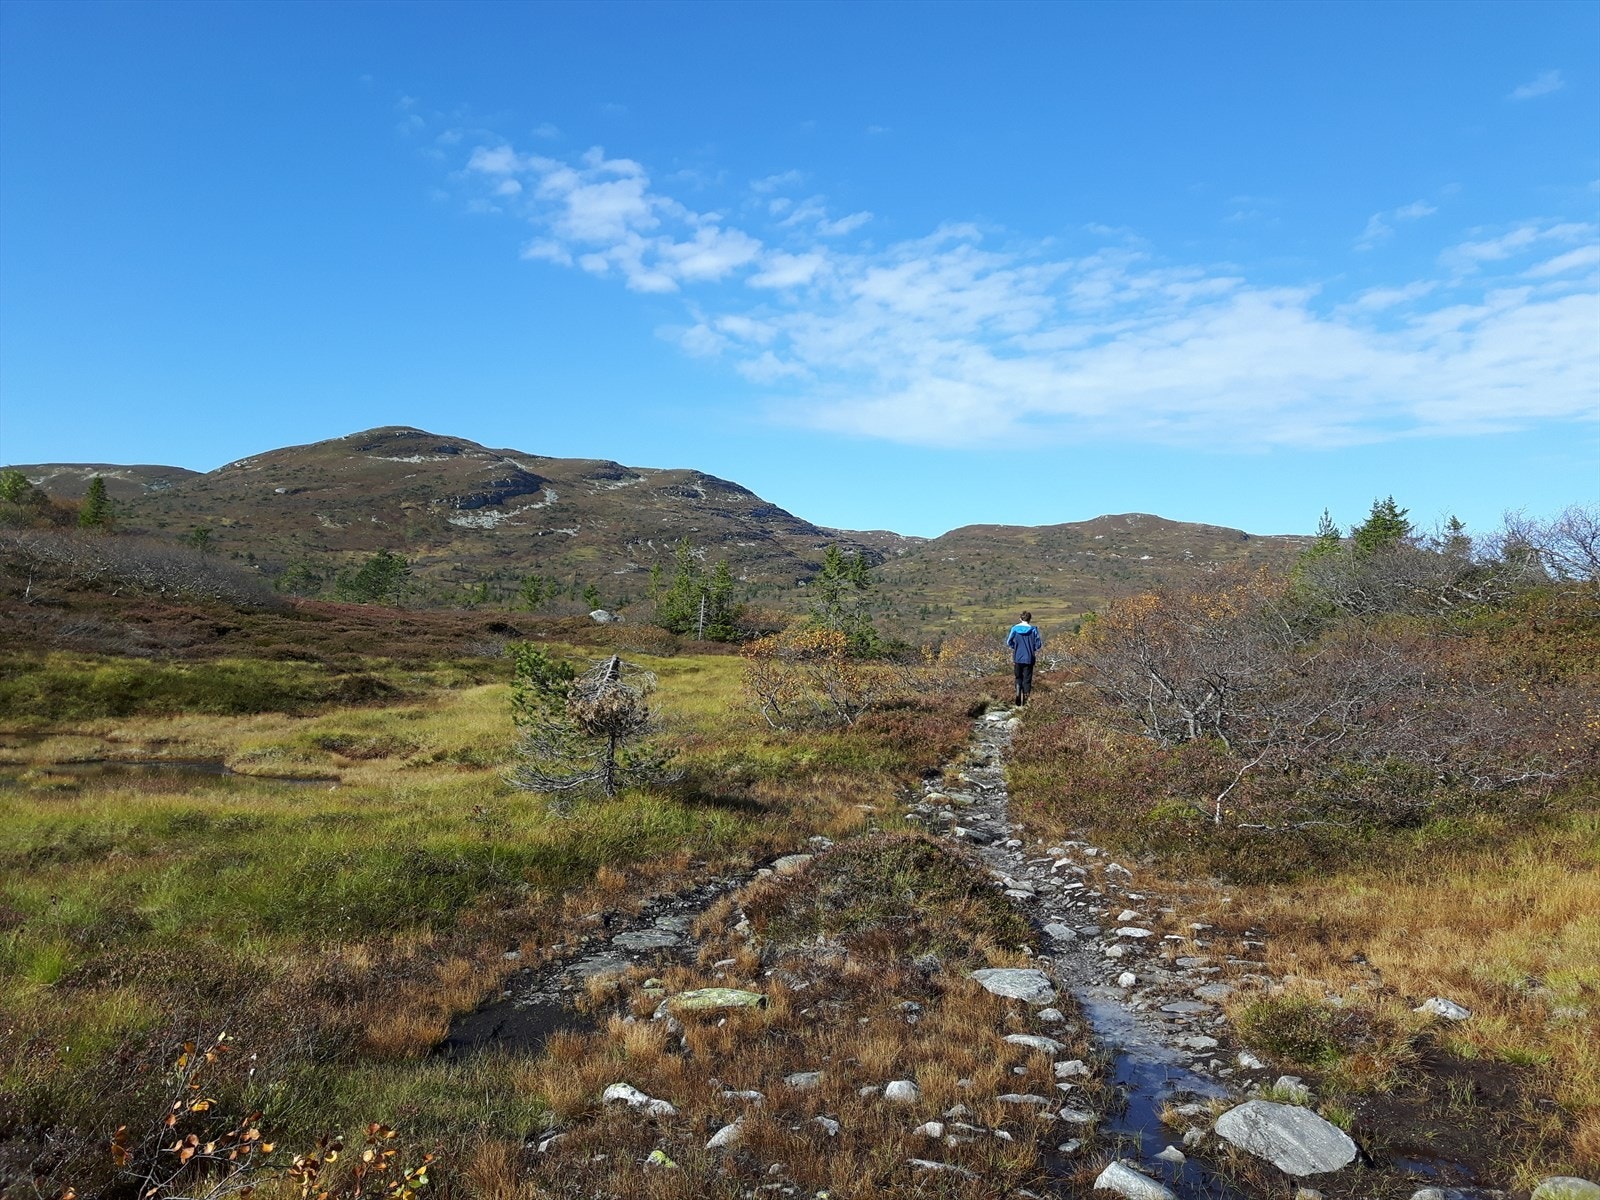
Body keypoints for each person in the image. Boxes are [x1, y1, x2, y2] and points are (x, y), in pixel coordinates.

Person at [1006, 611, 1042, 706]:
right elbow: (1038, 644)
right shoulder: (1033, 629)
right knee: (1027, 679)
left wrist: (1015, 647)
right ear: (1030, 619)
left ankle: (1018, 688)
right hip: (1029, 657)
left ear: (1020, 619)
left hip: (1017, 657)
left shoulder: (1014, 628)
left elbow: (1009, 641)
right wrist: (1033, 648)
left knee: (1018, 677)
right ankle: (1026, 700)